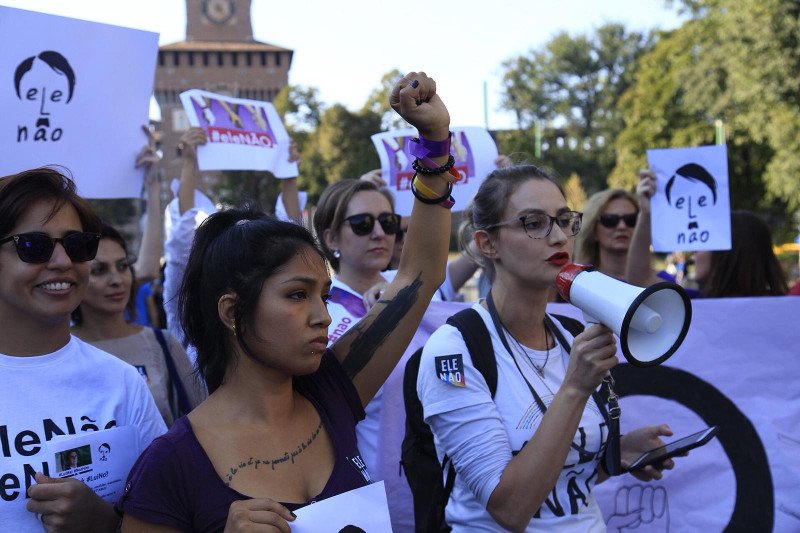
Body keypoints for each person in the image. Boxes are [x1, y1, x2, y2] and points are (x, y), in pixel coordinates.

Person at [118, 70, 454, 532]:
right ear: (232, 311)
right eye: (297, 295)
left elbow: (419, 274)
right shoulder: (169, 466)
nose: (322, 316)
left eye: (323, 294)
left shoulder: (335, 390)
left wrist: (434, 142)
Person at [418, 163, 676, 531]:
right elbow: (510, 508)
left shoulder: (571, 333)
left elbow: (561, 478)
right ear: (487, 243)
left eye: (564, 220)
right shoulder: (456, 349)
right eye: (534, 223)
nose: (558, 237)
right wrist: (574, 388)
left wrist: (619, 455)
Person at [0, 167, 166, 529]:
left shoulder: (122, 382)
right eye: (34, 246)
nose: (62, 262)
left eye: (77, 245)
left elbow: (172, 515)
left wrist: (107, 523)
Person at [71, 130, 206, 426]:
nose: (117, 279)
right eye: (99, 270)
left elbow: (203, 425)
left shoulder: (162, 345)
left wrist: (153, 187)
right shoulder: (55, 352)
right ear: (72, 276)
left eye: (122, 266)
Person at [627, 170, 787, 296]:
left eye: (705, 241)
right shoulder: (691, 302)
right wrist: (646, 214)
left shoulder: (790, 309)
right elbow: (639, 279)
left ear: (730, 252)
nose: (694, 250)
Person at [573, 188, 640, 280]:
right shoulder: (579, 283)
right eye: (610, 220)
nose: (622, 226)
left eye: (631, 219)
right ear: (593, 229)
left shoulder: (662, 282)